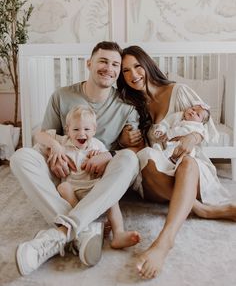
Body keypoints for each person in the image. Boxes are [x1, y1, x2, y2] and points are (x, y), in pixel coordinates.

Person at [10, 41, 142, 276]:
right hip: (66, 171)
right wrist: (54, 151)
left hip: (99, 178)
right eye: (103, 61)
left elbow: (136, 149)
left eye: (115, 64)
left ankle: (60, 234)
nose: (109, 68)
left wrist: (108, 154)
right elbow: (43, 136)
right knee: (21, 157)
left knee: (130, 161)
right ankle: (81, 229)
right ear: (89, 63)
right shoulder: (62, 95)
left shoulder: (126, 107)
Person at [117, 45, 236, 280]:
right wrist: (123, 138)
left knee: (188, 164)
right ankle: (203, 210)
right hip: (158, 175)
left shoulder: (179, 91)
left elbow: (206, 122)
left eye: (137, 66)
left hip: (187, 170)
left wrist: (193, 136)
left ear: (148, 65)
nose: (133, 75)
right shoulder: (131, 105)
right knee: (145, 159)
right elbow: (125, 143)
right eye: (126, 71)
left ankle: (164, 241)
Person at [35, 104, 141, 257]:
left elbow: (109, 170)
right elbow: (40, 135)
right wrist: (55, 146)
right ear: (67, 129)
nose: (81, 134)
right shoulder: (64, 142)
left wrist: (101, 159)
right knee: (63, 187)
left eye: (87, 129)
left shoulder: (98, 146)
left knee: (112, 198)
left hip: (94, 189)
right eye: (76, 129)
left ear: (94, 129)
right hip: (73, 190)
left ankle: (118, 233)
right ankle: (88, 225)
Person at [152, 102, 210, 167]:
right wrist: (161, 129)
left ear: (201, 122)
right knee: (169, 147)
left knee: (186, 153)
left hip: (185, 147)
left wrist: (169, 134)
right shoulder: (178, 115)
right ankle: (161, 154)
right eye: (193, 109)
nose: (193, 112)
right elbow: (166, 123)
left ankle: (165, 156)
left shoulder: (196, 126)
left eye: (198, 115)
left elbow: (182, 131)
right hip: (170, 142)